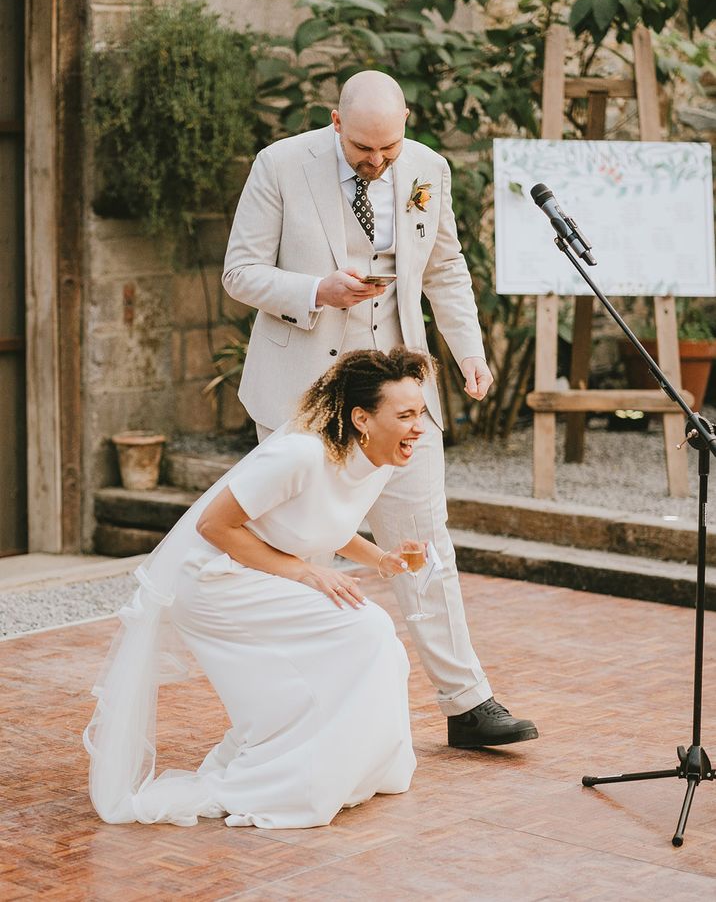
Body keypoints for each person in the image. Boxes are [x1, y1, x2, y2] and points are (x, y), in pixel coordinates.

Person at [223, 70, 538, 749]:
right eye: (364, 148)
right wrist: (315, 289)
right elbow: (240, 272)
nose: (377, 161)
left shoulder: (427, 166)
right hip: (301, 394)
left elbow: (445, 267)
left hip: (399, 396)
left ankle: (467, 704)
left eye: (388, 148)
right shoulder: (279, 165)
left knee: (425, 537)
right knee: (305, 552)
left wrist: (468, 352)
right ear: (335, 123)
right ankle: (303, 712)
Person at [85, 348, 430, 829]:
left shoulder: (376, 460)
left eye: (422, 413)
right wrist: (308, 573)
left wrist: (382, 558)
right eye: (406, 415)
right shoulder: (300, 454)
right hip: (213, 582)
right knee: (367, 629)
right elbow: (214, 526)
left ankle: (344, 769)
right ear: (362, 418)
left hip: (259, 572)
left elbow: (316, 522)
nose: (420, 426)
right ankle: (288, 781)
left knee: (379, 647)